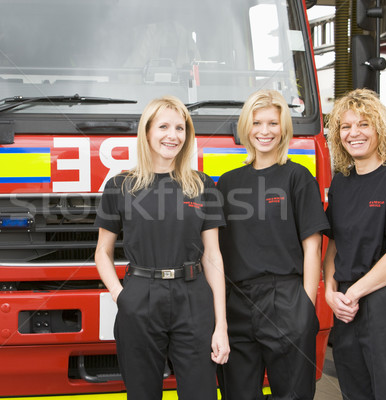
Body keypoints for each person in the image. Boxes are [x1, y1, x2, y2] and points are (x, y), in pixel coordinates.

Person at [94, 95, 229, 400]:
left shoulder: (202, 185)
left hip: (194, 298)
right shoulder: (120, 186)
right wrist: (121, 296)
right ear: (147, 132)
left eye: (180, 128)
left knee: (202, 393)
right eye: (164, 126)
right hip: (139, 296)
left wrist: (220, 325)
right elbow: (102, 252)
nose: (173, 135)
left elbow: (212, 256)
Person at [217, 89, 328, 400]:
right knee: (237, 394)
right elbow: (217, 252)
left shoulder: (298, 177)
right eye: (256, 123)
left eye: (272, 123)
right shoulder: (226, 183)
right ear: (245, 127)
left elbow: (312, 247)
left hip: (286, 299)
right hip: (237, 302)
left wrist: (306, 308)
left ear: (284, 129)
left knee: (292, 394)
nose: (264, 131)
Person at [323, 88, 386, 400]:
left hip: (384, 301)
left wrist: (351, 292)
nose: (353, 133)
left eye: (363, 124)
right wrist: (330, 292)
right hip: (346, 305)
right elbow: (335, 244)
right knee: (353, 391)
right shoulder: (341, 180)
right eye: (345, 126)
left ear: (379, 128)